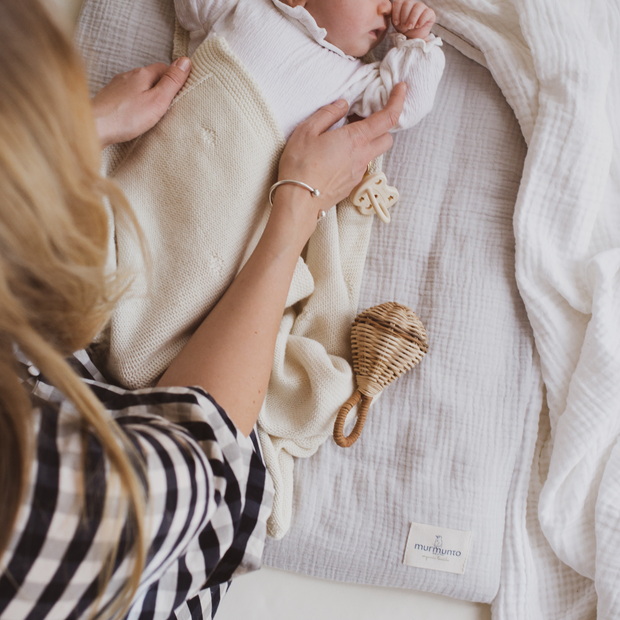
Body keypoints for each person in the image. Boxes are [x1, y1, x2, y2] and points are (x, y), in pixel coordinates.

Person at [0, 0, 405, 619]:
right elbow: (202, 439)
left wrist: (79, 130)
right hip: (181, 485)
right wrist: (297, 205)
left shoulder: (351, 78)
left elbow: (406, 93)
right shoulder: (48, 517)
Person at [174, 0, 445, 138]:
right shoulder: (246, 8)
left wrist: (417, 40)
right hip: (175, 137)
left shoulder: (355, 78)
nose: (388, 8)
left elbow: (405, 105)